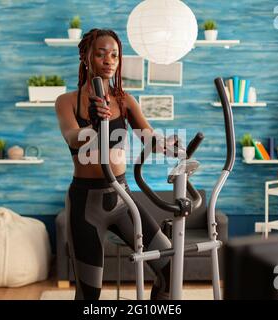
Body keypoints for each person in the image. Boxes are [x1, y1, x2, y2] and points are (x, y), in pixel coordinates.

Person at [55, 28, 180, 300]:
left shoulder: (125, 101)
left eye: (114, 55)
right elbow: (72, 137)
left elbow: (149, 138)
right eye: (101, 54)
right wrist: (94, 126)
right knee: (90, 293)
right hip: (86, 202)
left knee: (170, 268)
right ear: (86, 58)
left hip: (123, 198)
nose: (109, 60)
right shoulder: (66, 101)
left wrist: (166, 145)